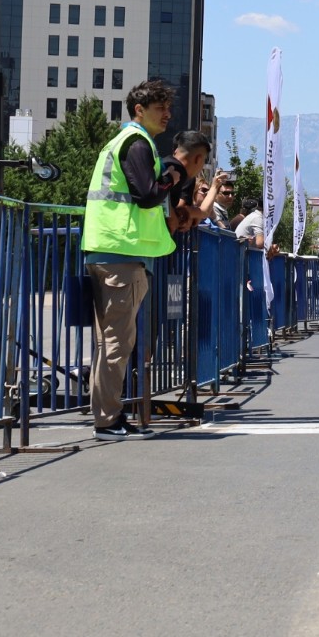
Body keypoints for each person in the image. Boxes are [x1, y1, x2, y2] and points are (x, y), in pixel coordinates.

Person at [82, 78, 221, 440]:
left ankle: (108, 415)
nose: (167, 115)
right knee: (117, 343)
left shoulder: (122, 142)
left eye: (168, 108)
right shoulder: (136, 142)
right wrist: (171, 176)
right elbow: (146, 195)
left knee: (110, 342)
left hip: (110, 249)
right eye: (161, 109)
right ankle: (108, 420)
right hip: (121, 253)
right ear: (139, 110)